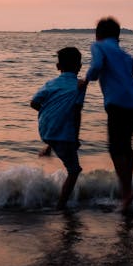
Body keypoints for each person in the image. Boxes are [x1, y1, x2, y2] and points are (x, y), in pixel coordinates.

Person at [83, 17, 133, 213]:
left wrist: (86, 80)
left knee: (115, 148)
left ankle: (126, 192)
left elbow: (96, 66)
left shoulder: (99, 46)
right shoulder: (123, 54)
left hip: (118, 102)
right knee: (125, 145)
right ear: (117, 35)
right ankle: (127, 190)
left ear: (98, 34)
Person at [30, 47, 85, 209]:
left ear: (58, 67)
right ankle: (61, 206)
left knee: (60, 123)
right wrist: (75, 137)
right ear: (79, 66)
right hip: (63, 134)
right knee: (74, 171)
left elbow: (33, 103)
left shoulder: (50, 84)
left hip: (45, 129)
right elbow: (76, 112)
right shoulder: (80, 86)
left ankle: (49, 147)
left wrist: (49, 112)